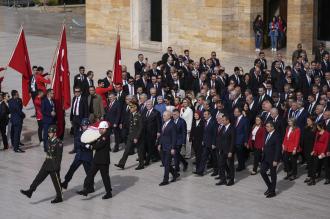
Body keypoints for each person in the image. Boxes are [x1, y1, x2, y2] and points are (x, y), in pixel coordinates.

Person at [20, 125, 63, 204]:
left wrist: (57, 167)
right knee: (38, 178)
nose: (49, 134)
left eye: (50, 132)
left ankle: (59, 197)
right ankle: (30, 191)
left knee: (56, 182)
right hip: (47, 163)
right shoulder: (49, 140)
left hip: (54, 165)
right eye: (49, 132)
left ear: (54, 133)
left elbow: (59, 156)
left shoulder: (59, 143)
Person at [77, 121, 112, 199]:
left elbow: (99, 145)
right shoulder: (101, 135)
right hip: (97, 160)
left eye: (100, 129)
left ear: (105, 129)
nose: (99, 130)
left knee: (105, 177)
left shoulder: (105, 136)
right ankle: (86, 189)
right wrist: (88, 143)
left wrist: (90, 147)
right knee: (90, 174)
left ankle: (109, 193)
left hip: (103, 161)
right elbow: (95, 141)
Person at [61, 118, 93, 190]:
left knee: (88, 172)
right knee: (72, 168)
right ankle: (66, 182)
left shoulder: (91, 134)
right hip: (79, 155)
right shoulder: (80, 132)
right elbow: (77, 141)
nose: (83, 127)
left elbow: (90, 144)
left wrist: (83, 144)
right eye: (83, 125)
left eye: (85, 125)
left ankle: (91, 187)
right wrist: (84, 145)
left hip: (87, 156)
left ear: (88, 126)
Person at [115, 103, 143, 170]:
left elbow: (140, 127)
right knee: (126, 150)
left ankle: (141, 164)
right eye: (130, 107)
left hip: (137, 136)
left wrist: (137, 137)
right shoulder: (131, 114)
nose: (130, 109)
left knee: (139, 151)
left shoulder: (139, 115)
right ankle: (121, 164)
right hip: (130, 136)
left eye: (131, 107)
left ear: (135, 108)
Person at [260, 121, 281, 198]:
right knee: (262, 171)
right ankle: (270, 186)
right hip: (265, 157)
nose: (266, 128)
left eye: (268, 126)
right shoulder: (267, 133)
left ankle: (272, 192)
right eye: (266, 126)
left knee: (273, 175)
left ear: (273, 127)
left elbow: (278, 149)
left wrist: (276, 160)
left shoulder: (277, 136)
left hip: (273, 159)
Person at [158, 111, 178, 186]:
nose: (163, 117)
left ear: (169, 116)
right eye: (163, 115)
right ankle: (175, 174)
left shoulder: (172, 125)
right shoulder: (164, 124)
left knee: (166, 164)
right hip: (163, 146)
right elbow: (162, 135)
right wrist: (159, 144)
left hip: (169, 147)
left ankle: (165, 180)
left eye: (164, 116)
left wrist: (173, 148)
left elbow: (174, 137)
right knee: (164, 162)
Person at [195, 110, 216, 176]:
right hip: (206, 143)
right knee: (203, 157)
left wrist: (213, 143)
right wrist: (203, 140)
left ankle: (216, 170)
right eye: (204, 115)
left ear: (209, 115)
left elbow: (215, 134)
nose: (204, 116)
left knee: (214, 158)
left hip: (211, 144)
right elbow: (204, 132)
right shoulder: (205, 122)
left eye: (206, 114)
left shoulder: (213, 122)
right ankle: (200, 171)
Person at [216, 114, 235, 186]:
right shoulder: (223, 127)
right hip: (223, 150)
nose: (222, 121)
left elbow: (233, 141)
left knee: (231, 165)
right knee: (221, 164)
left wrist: (230, 151)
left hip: (229, 150)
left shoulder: (232, 128)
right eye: (222, 120)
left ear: (228, 120)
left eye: (223, 120)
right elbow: (220, 138)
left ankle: (231, 180)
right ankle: (223, 179)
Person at [70, 87, 89, 154]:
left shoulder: (84, 99)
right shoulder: (74, 98)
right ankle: (75, 148)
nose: (76, 93)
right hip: (75, 118)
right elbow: (72, 108)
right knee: (75, 134)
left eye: (78, 91)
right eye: (75, 91)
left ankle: (83, 148)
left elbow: (86, 110)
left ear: (80, 92)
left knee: (82, 134)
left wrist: (86, 120)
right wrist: (71, 118)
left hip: (81, 119)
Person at [141, 100, 161, 164]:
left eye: (149, 104)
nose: (148, 106)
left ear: (152, 105)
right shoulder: (144, 112)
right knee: (146, 146)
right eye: (147, 105)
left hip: (153, 132)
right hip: (145, 132)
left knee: (150, 146)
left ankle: (147, 161)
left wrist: (158, 131)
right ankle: (155, 157)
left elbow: (159, 123)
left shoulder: (156, 112)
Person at [302, 116, 317, 184]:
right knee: (309, 163)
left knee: (312, 164)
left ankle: (312, 179)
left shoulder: (315, 129)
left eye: (308, 120)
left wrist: (314, 150)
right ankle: (309, 176)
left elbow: (316, 141)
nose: (307, 122)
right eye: (307, 120)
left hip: (312, 149)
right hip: (306, 148)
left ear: (312, 121)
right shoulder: (306, 128)